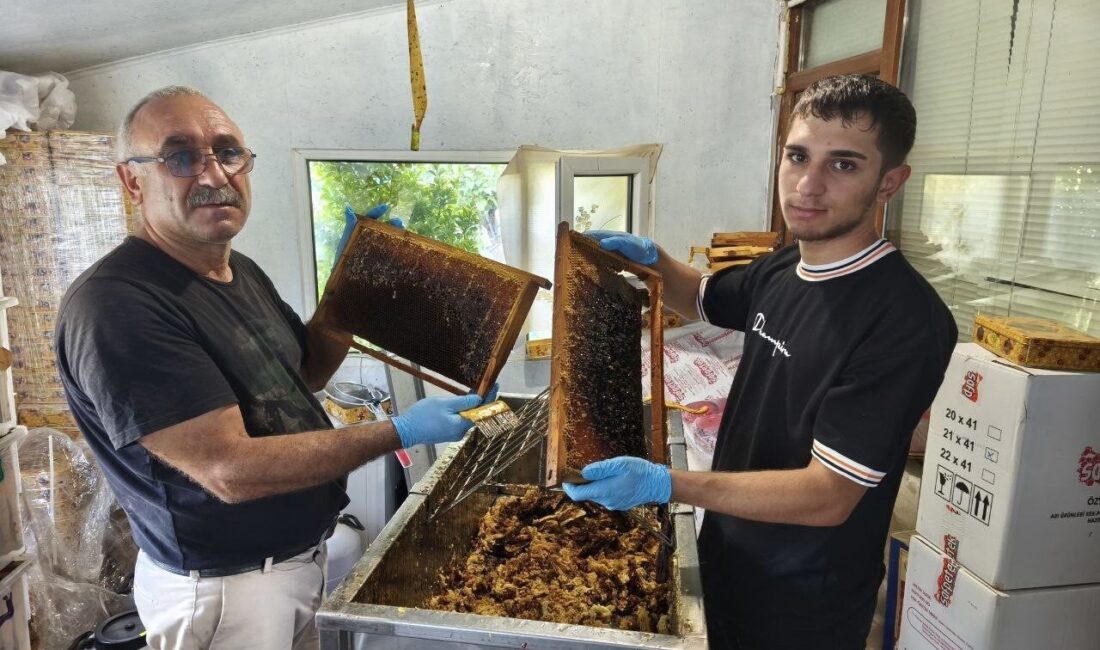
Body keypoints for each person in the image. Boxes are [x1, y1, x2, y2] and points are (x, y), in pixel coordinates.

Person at [54, 86, 488, 650]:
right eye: (181, 157)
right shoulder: (119, 304)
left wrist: (349, 284)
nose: (214, 175)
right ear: (132, 181)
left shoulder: (240, 271)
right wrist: (400, 431)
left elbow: (302, 374)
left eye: (228, 152)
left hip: (288, 568)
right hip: (226, 593)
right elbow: (227, 470)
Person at [563, 74, 958, 648]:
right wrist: (655, 262)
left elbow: (828, 495)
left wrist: (667, 482)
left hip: (801, 603)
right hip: (730, 560)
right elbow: (701, 296)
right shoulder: (784, 267)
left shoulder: (903, 320)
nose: (808, 184)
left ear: (889, 182)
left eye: (843, 165)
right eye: (797, 156)